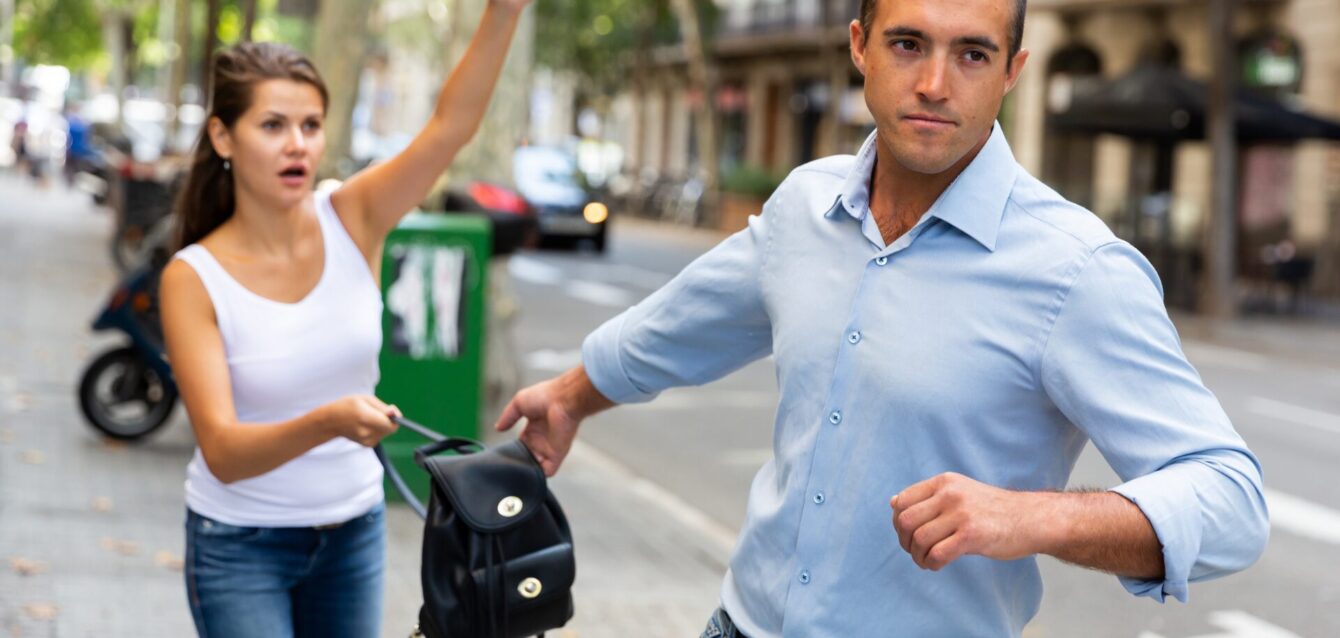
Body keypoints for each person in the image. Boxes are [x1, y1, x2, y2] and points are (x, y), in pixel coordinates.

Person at [494, 0, 1269, 636]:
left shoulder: (1076, 269)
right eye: (908, 44)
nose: (934, 83)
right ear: (860, 47)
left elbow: (1231, 501)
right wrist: (568, 395)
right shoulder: (807, 206)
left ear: (1013, 71)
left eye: (971, 54)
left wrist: (1028, 518)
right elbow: (681, 326)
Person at [158, 1, 531, 636]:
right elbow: (222, 451)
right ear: (223, 136)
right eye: (272, 125)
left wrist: (503, 12)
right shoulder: (193, 278)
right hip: (240, 546)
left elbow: (450, 126)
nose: (297, 144)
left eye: (311, 125)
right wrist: (331, 419)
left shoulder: (351, 218)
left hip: (353, 534)